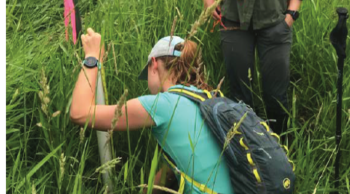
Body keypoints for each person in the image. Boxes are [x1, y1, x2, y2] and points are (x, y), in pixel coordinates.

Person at [70, 28, 233, 194]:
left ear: (154, 64)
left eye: (146, 73)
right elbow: (173, 169)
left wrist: (92, 57)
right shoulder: (209, 99)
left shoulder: (164, 105)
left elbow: (79, 113)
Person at [193, 0, 309, 134]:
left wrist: (289, 17)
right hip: (233, 18)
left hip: (275, 20)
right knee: (239, 98)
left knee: (276, 98)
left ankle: (279, 149)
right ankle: (245, 149)